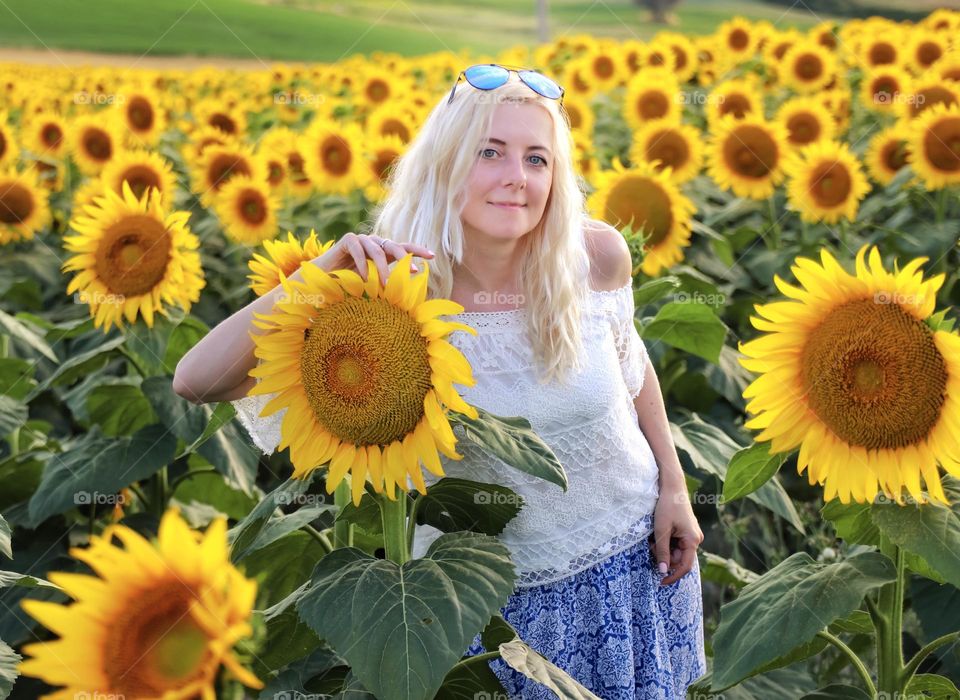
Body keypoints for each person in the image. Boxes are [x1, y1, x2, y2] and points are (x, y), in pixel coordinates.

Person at [173, 65, 706, 699]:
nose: (517, 177)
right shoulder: (389, 302)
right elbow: (197, 379)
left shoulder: (593, 258)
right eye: (491, 152)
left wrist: (675, 488)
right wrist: (322, 271)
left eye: (538, 159)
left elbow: (632, 370)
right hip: (487, 609)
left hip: (633, 566)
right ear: (444, 164)